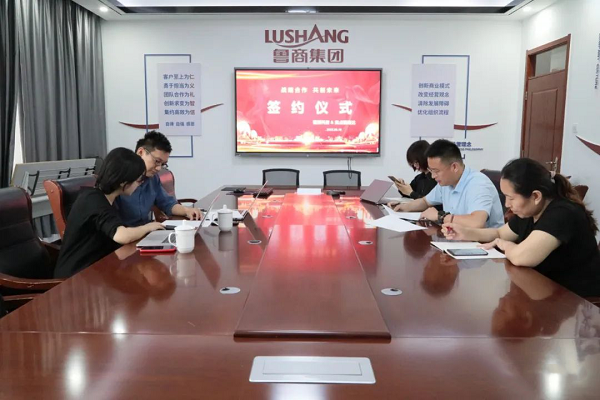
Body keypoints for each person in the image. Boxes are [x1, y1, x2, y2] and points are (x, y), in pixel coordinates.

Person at [443, 158, 600, 298]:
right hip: (543, 289)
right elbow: (499, 233)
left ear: (536, 196)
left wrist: (504, 244)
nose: (507, 204)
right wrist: (464, 232)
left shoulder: (562, 213)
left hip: (576, 299)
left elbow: (521, 257)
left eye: (511, 198)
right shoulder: (530, 211)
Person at [54, 148, 165, 278]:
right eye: (139, 180)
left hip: (98, 270)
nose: (140, 185)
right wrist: (148, 227)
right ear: (123, 182)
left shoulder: (108, 199)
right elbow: (121, 235)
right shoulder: (93, 200)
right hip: (75, 278)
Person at [390, 139, 504, 228]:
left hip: (484, 245)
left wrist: (440, 216)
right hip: (456, 238)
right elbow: (425, 201)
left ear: (454, 167)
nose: (433, 176)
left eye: (436, 171)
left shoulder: (478, 184)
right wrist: (403, 207)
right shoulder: (445, 183)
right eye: (431, 171)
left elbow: (476, 222)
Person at [115, 131, 202, 227]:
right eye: (157, 161)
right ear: (141, 152)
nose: (159, 168)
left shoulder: (153, 179)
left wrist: (187, 210)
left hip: (146, 232)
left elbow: (168, 204)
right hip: (125, 234)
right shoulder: (119, 178)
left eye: (163, 164)